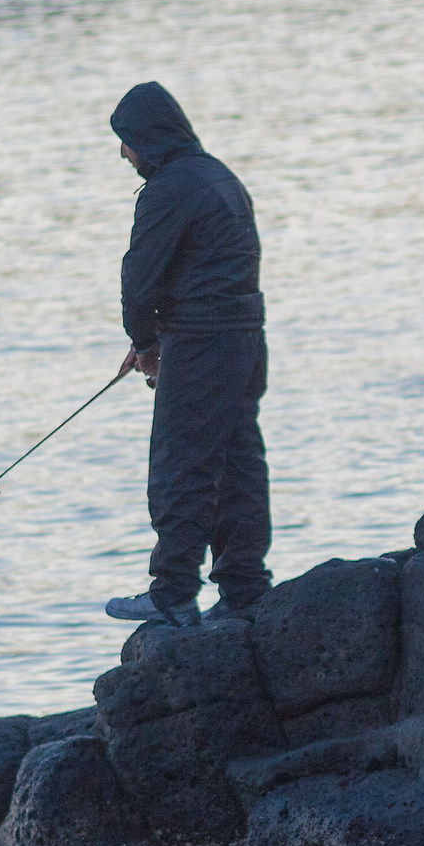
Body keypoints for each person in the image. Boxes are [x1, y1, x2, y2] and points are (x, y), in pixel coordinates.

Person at [103, 82, 271, 629]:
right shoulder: (219, 176)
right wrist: (154, 341)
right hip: (244, 339)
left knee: (182, 466)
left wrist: (145, 344)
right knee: (238, 466)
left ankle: (173, 593)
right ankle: (245, 589)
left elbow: (139, 279)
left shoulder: (168, 190)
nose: (123, 153)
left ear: (148, 137)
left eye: (126, 140)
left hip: (200, 345)